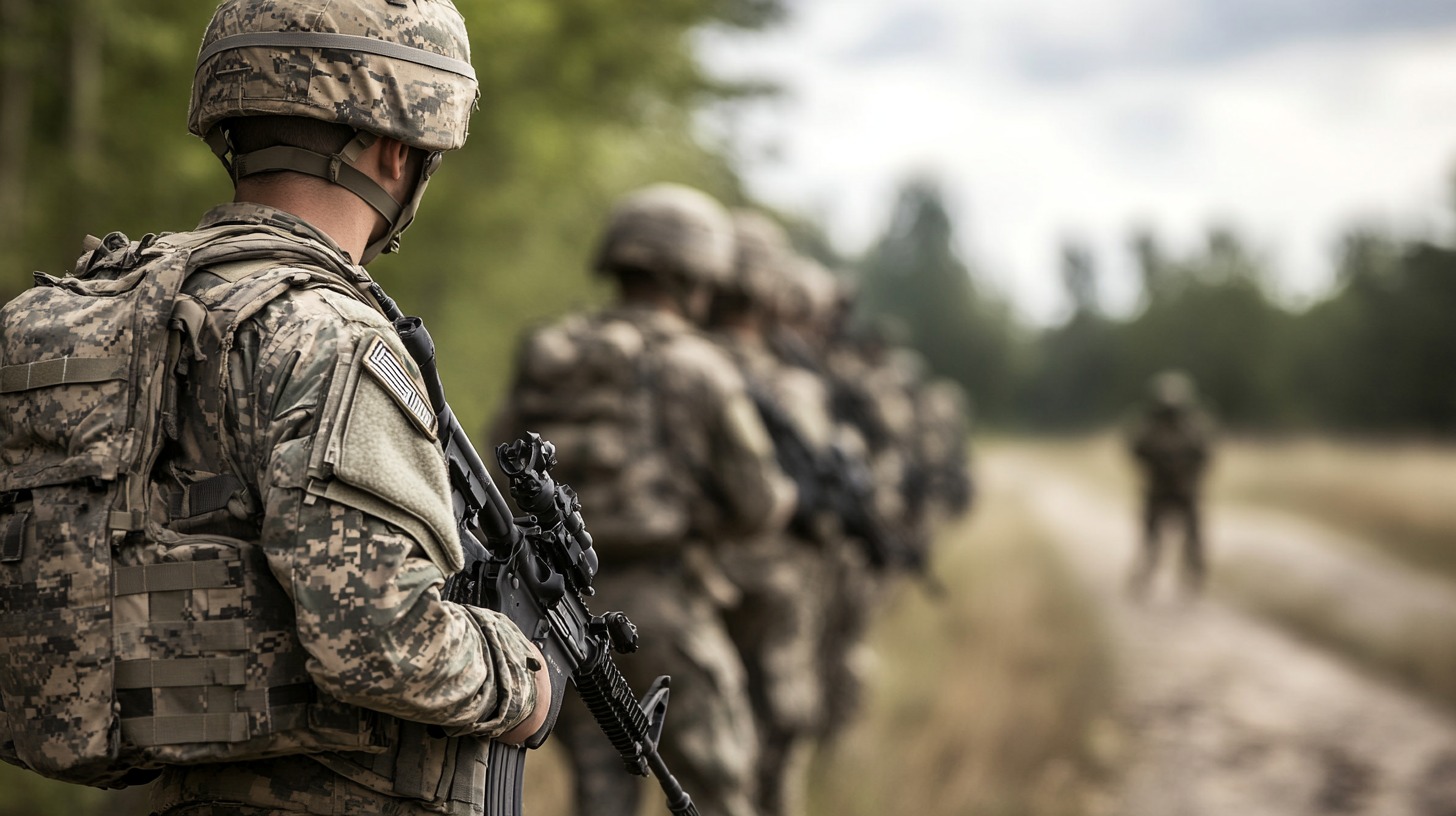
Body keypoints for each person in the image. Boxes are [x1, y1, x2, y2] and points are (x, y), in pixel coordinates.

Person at [15, 1, 552, 813]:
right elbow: (380, 642)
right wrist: (522, 679)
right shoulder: (330, 336)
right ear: (395, 152)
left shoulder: (100, 315)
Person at [492, 184, 796, 816]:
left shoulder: (554, 350)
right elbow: (761, 503)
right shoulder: (701, 366)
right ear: (697, 273)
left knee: (601, 796)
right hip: (664, 609)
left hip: (564, 611)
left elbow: (502, 462)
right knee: (715, 788)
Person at [705, 210, 836, 816]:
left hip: (678, 588)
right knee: (772, 754)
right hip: (769, 586)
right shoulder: (793, 387)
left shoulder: (677, 358)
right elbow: (812, 510)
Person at [1126, 370, 1215, 598]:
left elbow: (1206, 454)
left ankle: (1194, 579)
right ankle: (1145, 577)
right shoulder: (1149, 426)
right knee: (1151, 540)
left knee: (1193, 538)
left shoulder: (1194, 425)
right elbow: (1135, 451)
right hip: (1158, 490)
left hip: (1185, 490)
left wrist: (1188, 473)